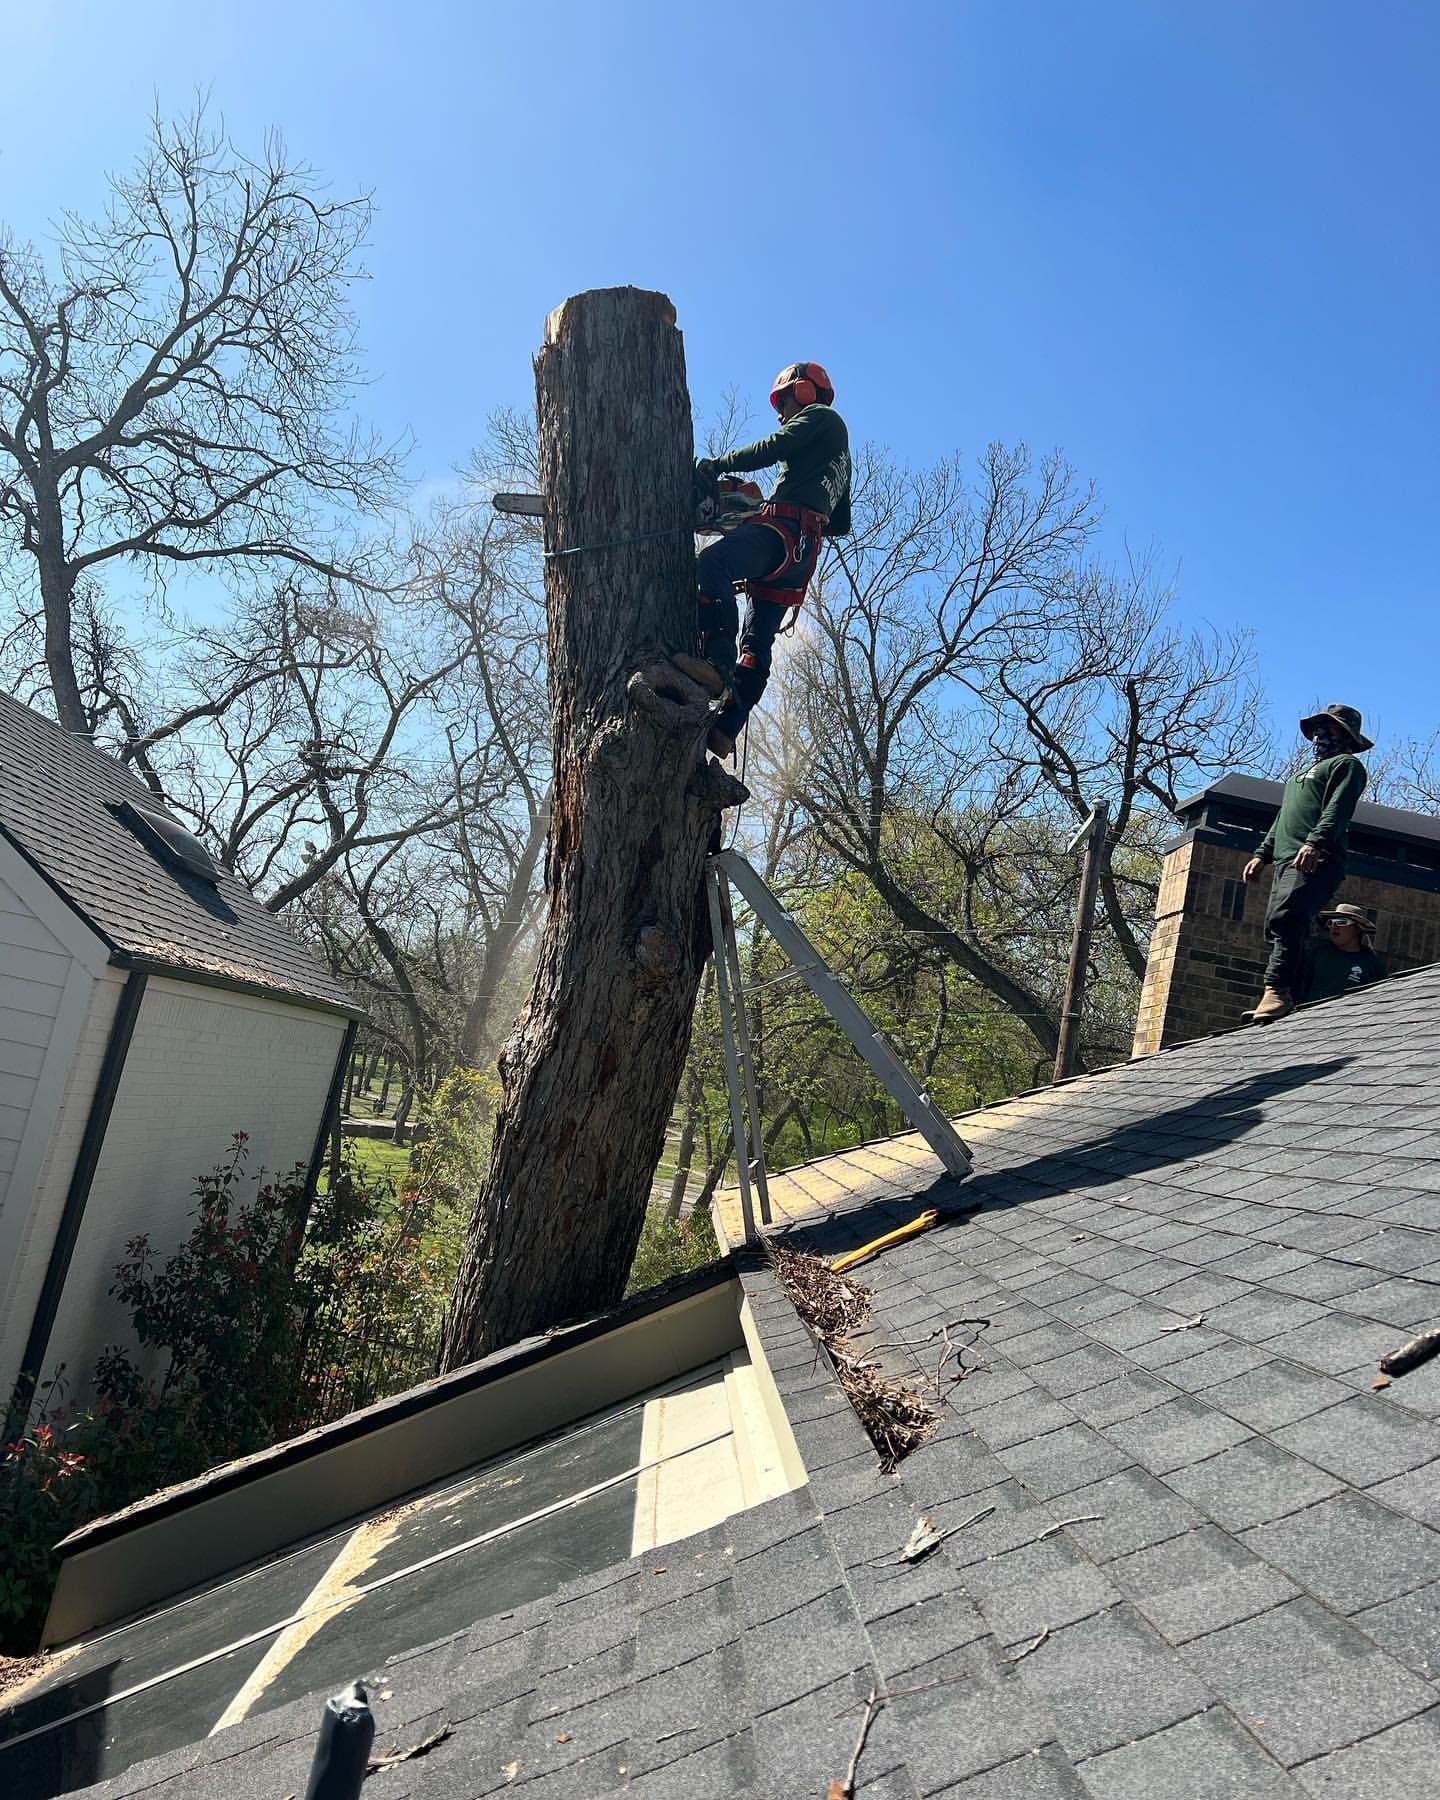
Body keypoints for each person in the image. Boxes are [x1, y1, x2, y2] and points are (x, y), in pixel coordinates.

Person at [673, 362, 852, 758]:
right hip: (800, 558)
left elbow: (774, 447)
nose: (780, 412)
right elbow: (839, 522)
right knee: (756, 643)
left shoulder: (819, 416)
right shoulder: (838, 451)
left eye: (783, 401)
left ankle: (716, 663)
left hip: (782, 534)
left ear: (804, 393)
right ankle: (727, 726)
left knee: (711, 565)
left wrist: (718, 465)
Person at [1242, 703, 1373, 1023]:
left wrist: (1315, 842)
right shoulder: (1298, 776)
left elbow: (1338, 809)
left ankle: (1276, 990)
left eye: (1328, 729)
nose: (1319, 735)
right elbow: (1282, 819)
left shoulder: (1347, 766)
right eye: (1317, 729)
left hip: (1317, 858)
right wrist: (1262, 853)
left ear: (1345, 735)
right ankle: (1291, 994)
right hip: (1286, 858)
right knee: (1276, 923)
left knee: (1288, 917)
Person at [1306, 904, 1385, 1001]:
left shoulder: (1373, 964)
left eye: (1341, 922)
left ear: (1357, 929)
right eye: (1330, 923)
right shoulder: (1317, 953)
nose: (1334, 927)